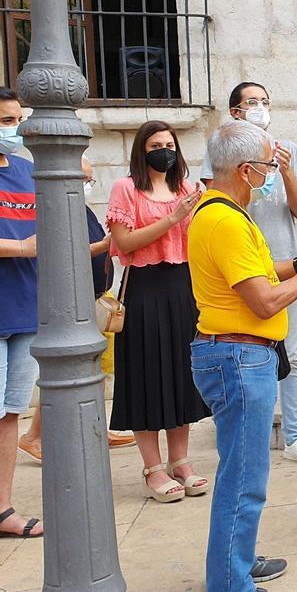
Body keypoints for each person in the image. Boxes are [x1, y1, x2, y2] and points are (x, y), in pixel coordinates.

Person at [189, 120, 297, 591]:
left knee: (243, 473)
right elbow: (264, 300)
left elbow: (261, 272)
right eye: (266, 166)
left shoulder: (229, 214)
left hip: (239, 355)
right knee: (244, 479)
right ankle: (230, 582)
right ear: (244, 169)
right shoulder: (223, 220)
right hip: (238, 357)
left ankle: (235, 561)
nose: (272, 174)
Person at [202, 82, 297, 467]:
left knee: (290, 354)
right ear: (236, 111)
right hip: (242, 266)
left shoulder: (286, 149)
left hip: (286, 262)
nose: (260, 108)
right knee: (248, 351)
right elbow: (220, 199)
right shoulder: (223, 149)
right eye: (252, 102)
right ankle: (250, 431)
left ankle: (294, 435)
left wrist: (285, 171)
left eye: (265, 102)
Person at [104, 121, 210, 503]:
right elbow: (124, 242)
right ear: (141, 149)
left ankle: (180, 460)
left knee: (182, 373)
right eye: (155, 144)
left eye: (169, 144)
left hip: (183, 287)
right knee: (147, 375)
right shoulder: (126, 188)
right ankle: (153, 468)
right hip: (144, 289)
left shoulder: (187, 187)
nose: (163, 150)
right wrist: (172, 218)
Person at [16, 157, 138, 463]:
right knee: (68, 371)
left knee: (96, 370)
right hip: (72, 305)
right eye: (81, 179)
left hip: (95, 299)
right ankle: (33, 437)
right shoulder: (52, 210)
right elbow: (61, 252)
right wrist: (105, 246)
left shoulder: (81, 209)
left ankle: (96, 427)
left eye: (88, 180)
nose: (85, 185)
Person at [0, 87, 42, 537]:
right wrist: (20, 247)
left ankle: (4, 508)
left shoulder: (28, 171)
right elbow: (28, 241)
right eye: (5, 121)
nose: (13, 130)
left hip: (25, 308)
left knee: (10, 413)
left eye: (16, 120)